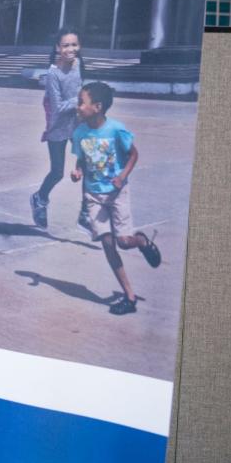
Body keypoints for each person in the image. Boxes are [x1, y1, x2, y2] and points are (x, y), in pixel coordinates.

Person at [69, 82, 162, 316]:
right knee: (108, 245)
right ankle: (129, 297)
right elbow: (81, 158)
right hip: (93, 194)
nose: (78, 106)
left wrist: (122, 176)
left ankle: (141, 241)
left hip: (117, 193)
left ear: (97, 107)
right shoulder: (79, 132)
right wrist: (77, 170)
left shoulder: (116, 130)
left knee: (123, 242)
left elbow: (133, 154)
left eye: (82, 102)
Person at [30, 29, 90, 231]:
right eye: (65, 45)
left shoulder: (80, 65)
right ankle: (40, 198)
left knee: (89, 167)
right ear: (58, 48)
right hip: (58, 126)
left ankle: (86, 213)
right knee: (57, 172)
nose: (70, 49)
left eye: (74, 44)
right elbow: (58, 107)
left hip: (78, 125)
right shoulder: (53, 74)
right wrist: (81, 100)